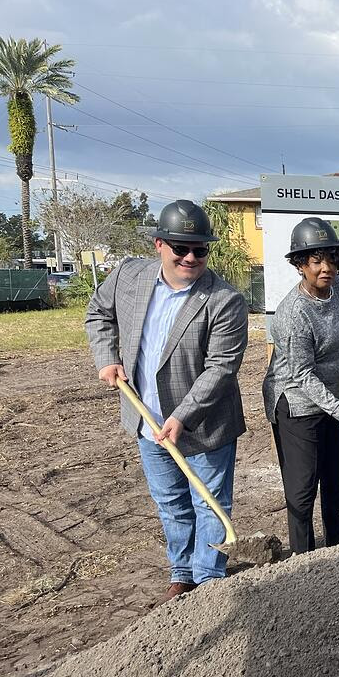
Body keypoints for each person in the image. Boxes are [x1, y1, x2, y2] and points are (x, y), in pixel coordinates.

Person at [86, 200, 248, 601]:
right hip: (147, 420)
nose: (191, 257)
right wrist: (107, 357)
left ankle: (209, 581)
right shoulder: (128, 275)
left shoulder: (224, 299)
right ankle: (182, 573)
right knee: (172, 503)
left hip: (206, 424)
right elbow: (98, 313)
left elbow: (222, 368)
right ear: (160, 244)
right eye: (181, 248)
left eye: (200, 249)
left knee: (210, 504)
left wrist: (183, 416)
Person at [263, 217, 339, 554]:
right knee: (303, 490)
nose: (326, 268)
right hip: (296, 402)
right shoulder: (294, 313)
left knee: (336, 482)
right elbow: (302, 374)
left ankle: (335, 554)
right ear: (300, 265)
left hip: (333, 397)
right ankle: (302, 564)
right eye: (316, 261)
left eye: (331, 259)